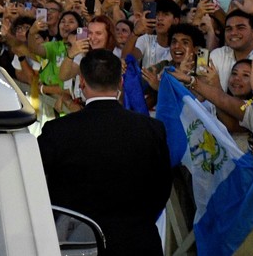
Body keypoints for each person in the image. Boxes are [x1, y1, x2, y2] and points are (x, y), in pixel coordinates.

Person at [37, 49, 172, 255]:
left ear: (81, 82)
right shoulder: (152, 129)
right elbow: (162, 189)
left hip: (77, 243)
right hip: (137, 242)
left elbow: (34, 184)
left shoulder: (58, 131)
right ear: (120, 82)